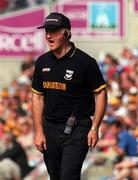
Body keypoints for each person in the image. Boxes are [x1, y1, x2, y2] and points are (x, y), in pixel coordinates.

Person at [32, 12, 107, 180]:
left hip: (77, 129)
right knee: (55, 177)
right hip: (50, 128)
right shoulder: (42, 62)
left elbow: (101, 93)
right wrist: (38, 131)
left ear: (67, 33)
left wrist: (95, 128)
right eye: (47, 31)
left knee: (68, 176)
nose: (49, 35)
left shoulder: (85, 62)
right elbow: (37, 97)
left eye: (54, 31)